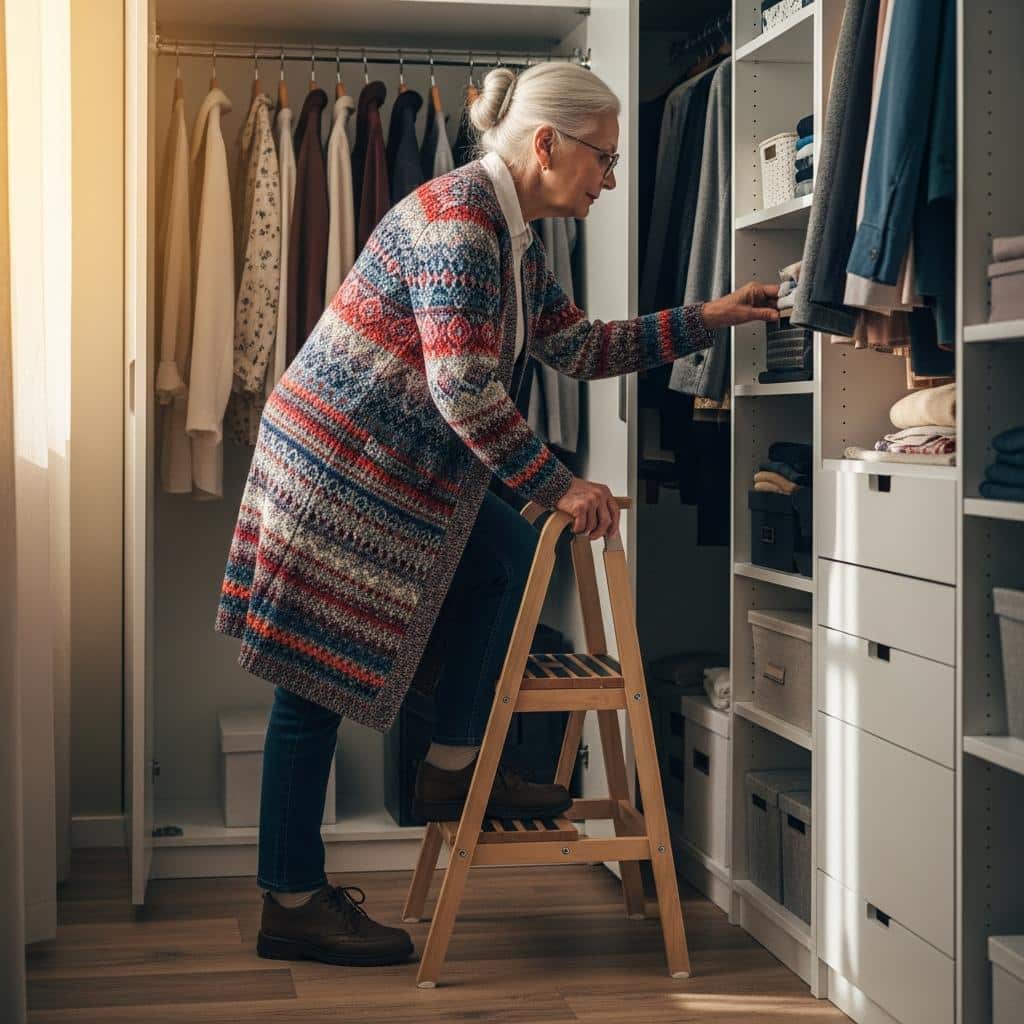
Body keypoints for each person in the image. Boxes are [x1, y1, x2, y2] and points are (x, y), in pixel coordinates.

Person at [214, 61, 779, 969]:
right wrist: (561, 485)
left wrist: (710, 316)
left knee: (515, 559)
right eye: (604, 157)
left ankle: (451, 764)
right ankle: (292, 898)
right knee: (309, 680)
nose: (610, 177)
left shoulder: (510, 235)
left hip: (388, 467)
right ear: (547, 144)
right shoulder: (462, 223)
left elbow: (578, 346)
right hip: (337, 468)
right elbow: (462, 386)